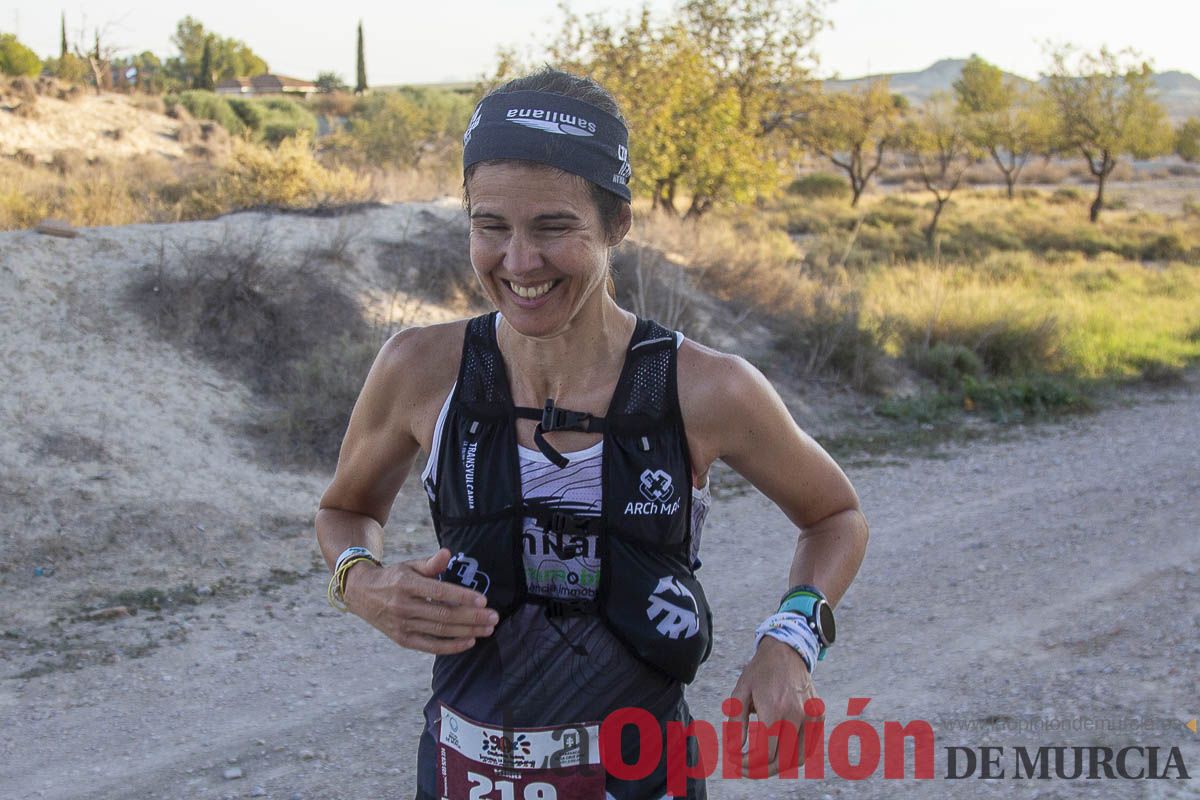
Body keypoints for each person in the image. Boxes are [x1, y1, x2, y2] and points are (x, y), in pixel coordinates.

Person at [315, 67, 869, 799]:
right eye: (490, 227)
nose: (518, 262)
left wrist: (792, 639)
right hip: (461, 772)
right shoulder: (420, 369)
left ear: (617, 225)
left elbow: (835, 517)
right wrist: (360, 580)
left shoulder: (705, 388)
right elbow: (343, 510)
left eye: (553, 228)